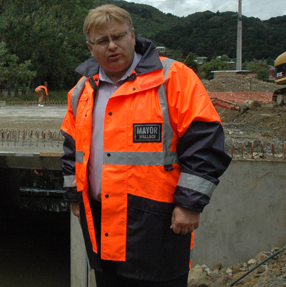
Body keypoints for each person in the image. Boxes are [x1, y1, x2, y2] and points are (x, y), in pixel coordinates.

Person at [60, 4, 231, 287]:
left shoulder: (173, 77)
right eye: (102, 41)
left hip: (158, 223)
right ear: (90, 48)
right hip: (101, 218)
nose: (112, 46)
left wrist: (189, 204)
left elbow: (206, 142)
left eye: (119, 36)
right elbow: (71, 148)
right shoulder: (81, 91)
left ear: (133, 34)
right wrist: (75, 197)